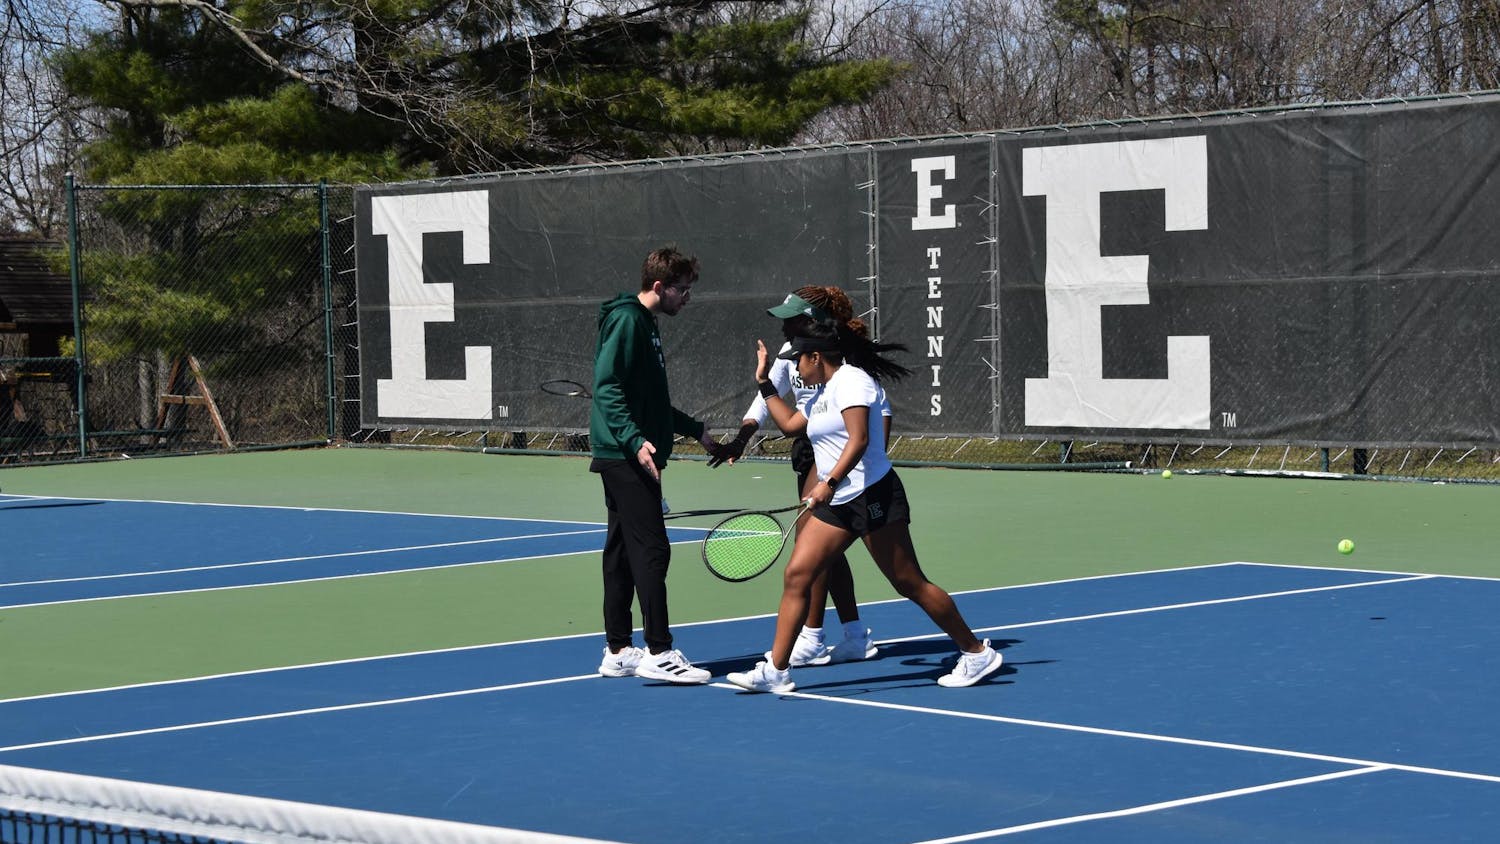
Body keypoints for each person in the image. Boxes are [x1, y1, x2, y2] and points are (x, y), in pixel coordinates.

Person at [726, 318, 1003, 693]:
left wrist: (828, 482)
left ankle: (975, 652)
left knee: (909, 582)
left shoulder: (853, 382)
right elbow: (791, 424)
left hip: (873, 495)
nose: (795, 367)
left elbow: (858, 441)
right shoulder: (821, 391)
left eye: (798, 360)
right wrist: (764, 384)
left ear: (816, 356)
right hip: (837, 503)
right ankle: (776, 670)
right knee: (797, 574)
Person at [710, 286, 884, 666]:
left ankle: (811, 636)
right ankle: (852, 634)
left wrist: (841, 471)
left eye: (792, 318)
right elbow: (767, 396)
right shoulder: (792, 354)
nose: (784, 325)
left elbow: (872, 416)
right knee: (826, 552)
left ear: (815, 321)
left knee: (812, 546)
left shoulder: (845, 361)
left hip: (839, 452)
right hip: (809, 444)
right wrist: (741, 438)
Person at [590, 246, 727, 684]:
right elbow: (607, 387)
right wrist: (635, 441)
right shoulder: (629, 320)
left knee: (622, 553)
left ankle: (618, 650)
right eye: (681, 290)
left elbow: (649, 400)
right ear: (658, 286)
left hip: (624, 452)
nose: (686, 297)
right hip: (625, 456)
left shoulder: (643, 322)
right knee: (652, 550)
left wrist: (696, 430)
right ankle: (660, 651)